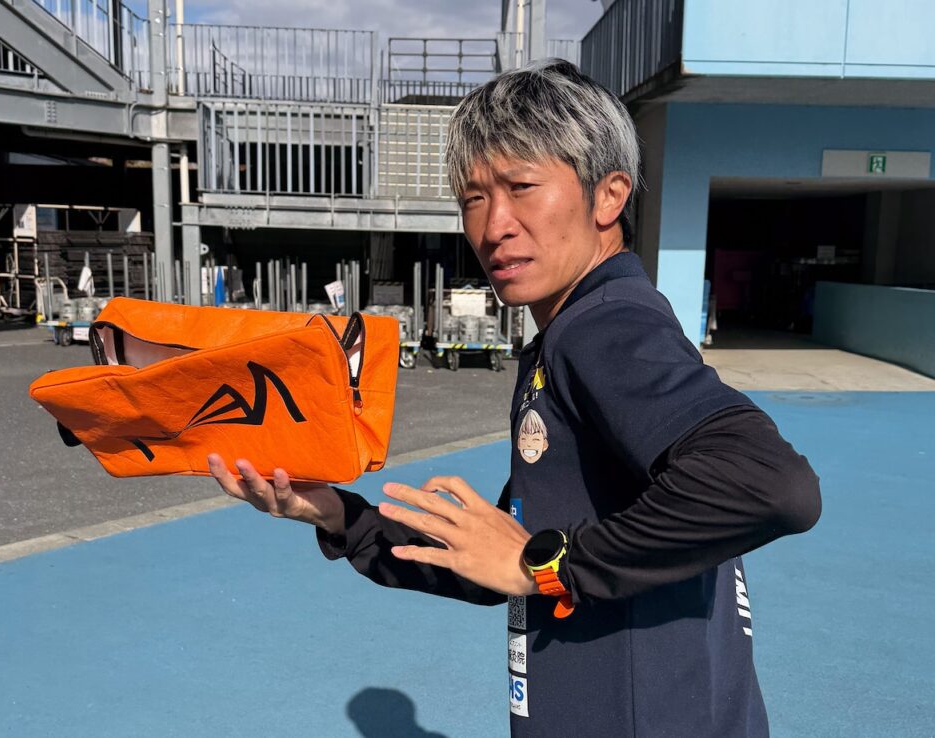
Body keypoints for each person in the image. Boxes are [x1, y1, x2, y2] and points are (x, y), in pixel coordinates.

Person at [207, 59, 821, 737]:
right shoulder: (576, 331)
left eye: (522, 187)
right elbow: (494, 561)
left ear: (609, 196)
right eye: (473, 198)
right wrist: (334, 514)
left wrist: (552, 566)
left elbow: (772, 485)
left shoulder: (602, 328)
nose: (494, 224)